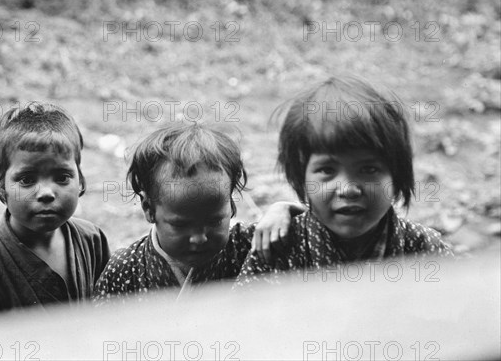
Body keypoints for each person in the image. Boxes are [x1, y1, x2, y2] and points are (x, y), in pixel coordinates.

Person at [237, 76, 453, 285]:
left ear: (397, 175)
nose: (348, 189)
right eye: (327, 170)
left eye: (369, 169)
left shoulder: (424, 249)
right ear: (301, 178)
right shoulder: (276, 250)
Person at [0, 102, 110, 327]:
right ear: (1, 185)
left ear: (81, 180)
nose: (46, 192)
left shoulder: (92, 241)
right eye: (27, 179)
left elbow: (108, 318)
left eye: (62, 177)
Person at [93, 123, 296, 302]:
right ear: (149, 209)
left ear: (230, 205)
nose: (199, 238)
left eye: (215, 221)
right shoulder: (124, 270)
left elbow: (314, 230)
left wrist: (284, 210)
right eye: (180, 225)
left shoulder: (251, 244)